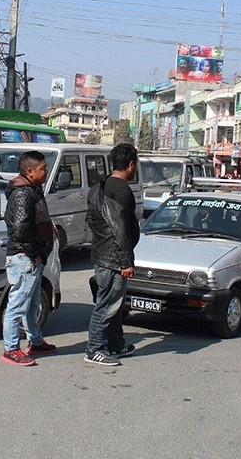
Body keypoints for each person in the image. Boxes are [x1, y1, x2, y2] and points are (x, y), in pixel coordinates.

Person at [85, 143, 141, 366]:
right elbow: (121, 230)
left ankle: (115, 344)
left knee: (115, 306)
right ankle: (95, 349)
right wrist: (126, 262)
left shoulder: (100, 186)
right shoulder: (122, 190)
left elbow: (92, 222)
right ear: (130, 164)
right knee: (107, 306)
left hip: (102, 254)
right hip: (114, 259)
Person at [0, 151, 57, 366]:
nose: (46, 172)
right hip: (25, 257)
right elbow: (21, 229)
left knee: (32, 304)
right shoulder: (23, 193)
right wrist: (36, 253)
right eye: (43, 168)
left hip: (32, 256)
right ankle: (11, 349)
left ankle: (35, 341)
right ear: (30, 171)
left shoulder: (32, 190)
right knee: (17, 305)